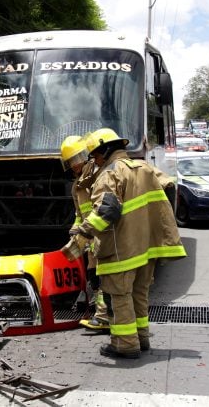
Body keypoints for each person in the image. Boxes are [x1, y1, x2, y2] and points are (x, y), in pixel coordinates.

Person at [61, 128, 186, 359]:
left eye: (95, 155)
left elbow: (105, 211)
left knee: (119, 297)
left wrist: (81, 237)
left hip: (120, 250)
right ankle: (142, 338)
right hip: (146, 249)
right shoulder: (144, 168)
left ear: (105, 150)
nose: (94, 161)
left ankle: (125, 345)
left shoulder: (110, 174)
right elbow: (168, 187)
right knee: (139, 295)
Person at [59, 135, 109, 331]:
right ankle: (101, 313)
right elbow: (80, 213)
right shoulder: (78, 185)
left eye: (75, 159)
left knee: (103, 276)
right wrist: (76, 228)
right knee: (94, 276)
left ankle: (104, 316)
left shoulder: (97, 176)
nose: (74, 165)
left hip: (101, 233)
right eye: (70, 161)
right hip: (89, 236)